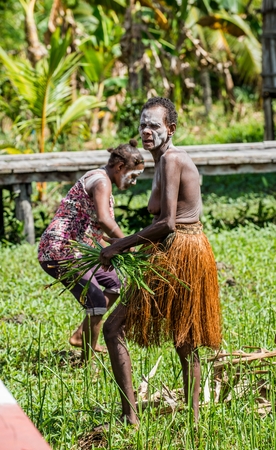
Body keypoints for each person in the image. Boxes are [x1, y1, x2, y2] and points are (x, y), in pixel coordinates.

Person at [100, 97, 221, 424]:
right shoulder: (160, 161)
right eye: (143, 125)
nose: (146, 131)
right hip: (170, 248)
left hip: (182, 251)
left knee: (172, 336)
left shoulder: (171, 160)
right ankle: (174, 419)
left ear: (171, 128)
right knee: (182, 339)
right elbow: (163, 224)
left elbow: (168, 222)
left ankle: (147, 419)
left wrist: (120, 246)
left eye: (154, 125)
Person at [38, 139, 144, 360]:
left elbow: (97, 230)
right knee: (95, 301)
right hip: (60, 251)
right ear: (120, 168)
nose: (133, 182)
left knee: (116, 283)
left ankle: (81, 334)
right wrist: (127, 243)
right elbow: (105, 220)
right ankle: (87, 363)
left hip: (79, 251)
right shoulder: (101, 182)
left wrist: (116, 249)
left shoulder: (102, 182)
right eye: (132, 176)